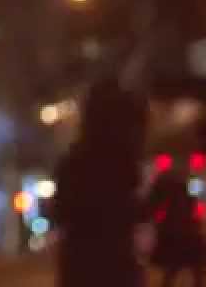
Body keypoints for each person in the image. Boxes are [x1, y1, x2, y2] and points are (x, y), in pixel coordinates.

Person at [52, 78, 147, 287]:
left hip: (81, 260)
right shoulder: (124, 161)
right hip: (116, 259)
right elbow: (132, 209)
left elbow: (60, 211)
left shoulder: (75, 160)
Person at [146, 169, 206, 287]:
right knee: (189, 266)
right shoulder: (189, 184)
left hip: (179, 230)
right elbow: (199, 200)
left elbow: (153, 206)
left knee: (175, 264)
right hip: (186, 230)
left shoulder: (167, 185)